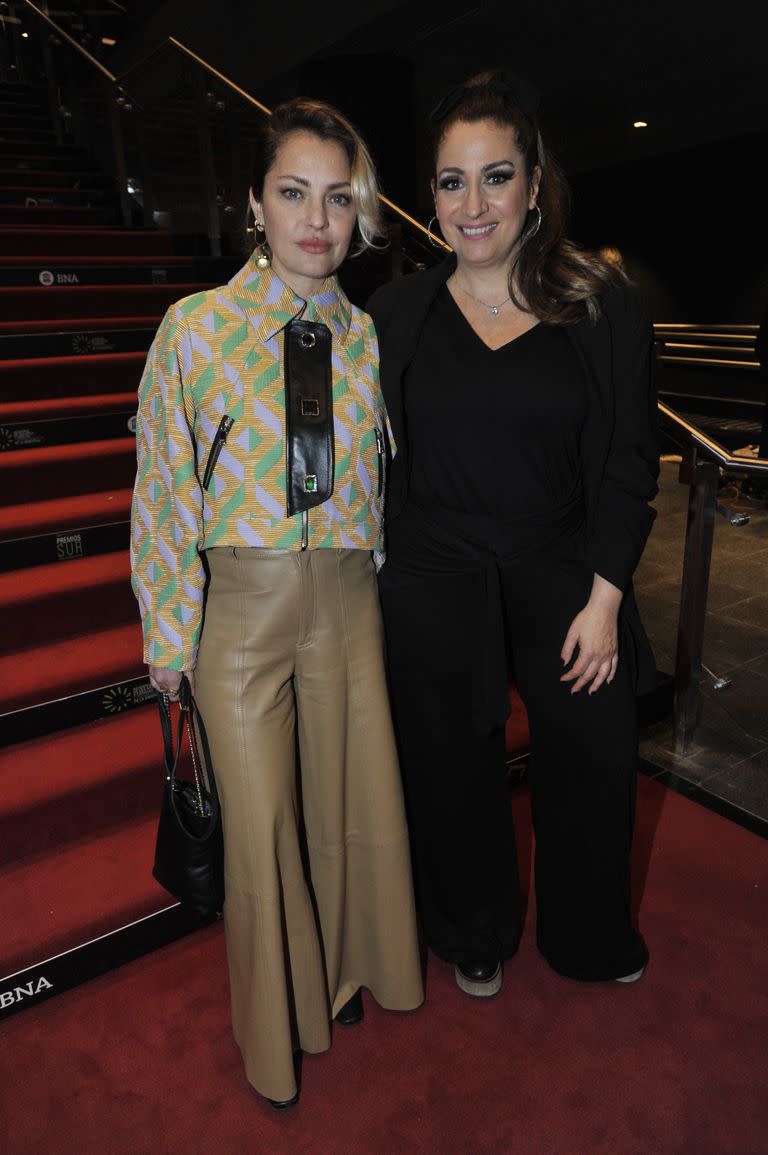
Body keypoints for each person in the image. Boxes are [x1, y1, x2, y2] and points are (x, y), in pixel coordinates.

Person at [130, 98, 423, 1109]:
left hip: (345, 599)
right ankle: (273, 1034)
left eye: (338, 199)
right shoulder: (196, 329)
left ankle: (338, 979)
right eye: (294, 194)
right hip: (241, 615)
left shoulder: (364, 335)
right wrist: (168, 634)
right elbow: (164, 490)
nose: (317, 219)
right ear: (255, 202)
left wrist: (372, 570)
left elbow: (372, 479)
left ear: (359, 211)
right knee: (259, 834)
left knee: (345, 810)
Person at [368, 70, 659, 998]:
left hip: (563, 563)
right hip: (434, 568)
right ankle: (471, 926)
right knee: (450, 771)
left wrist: (607, 596)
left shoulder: (601, 304)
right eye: (452, 182)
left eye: (496, 176)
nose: (474, 202)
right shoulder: (397, 314)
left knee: (595, 755)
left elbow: (627, 461)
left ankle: (588, 933)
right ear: (433, 199)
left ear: (536, 183)